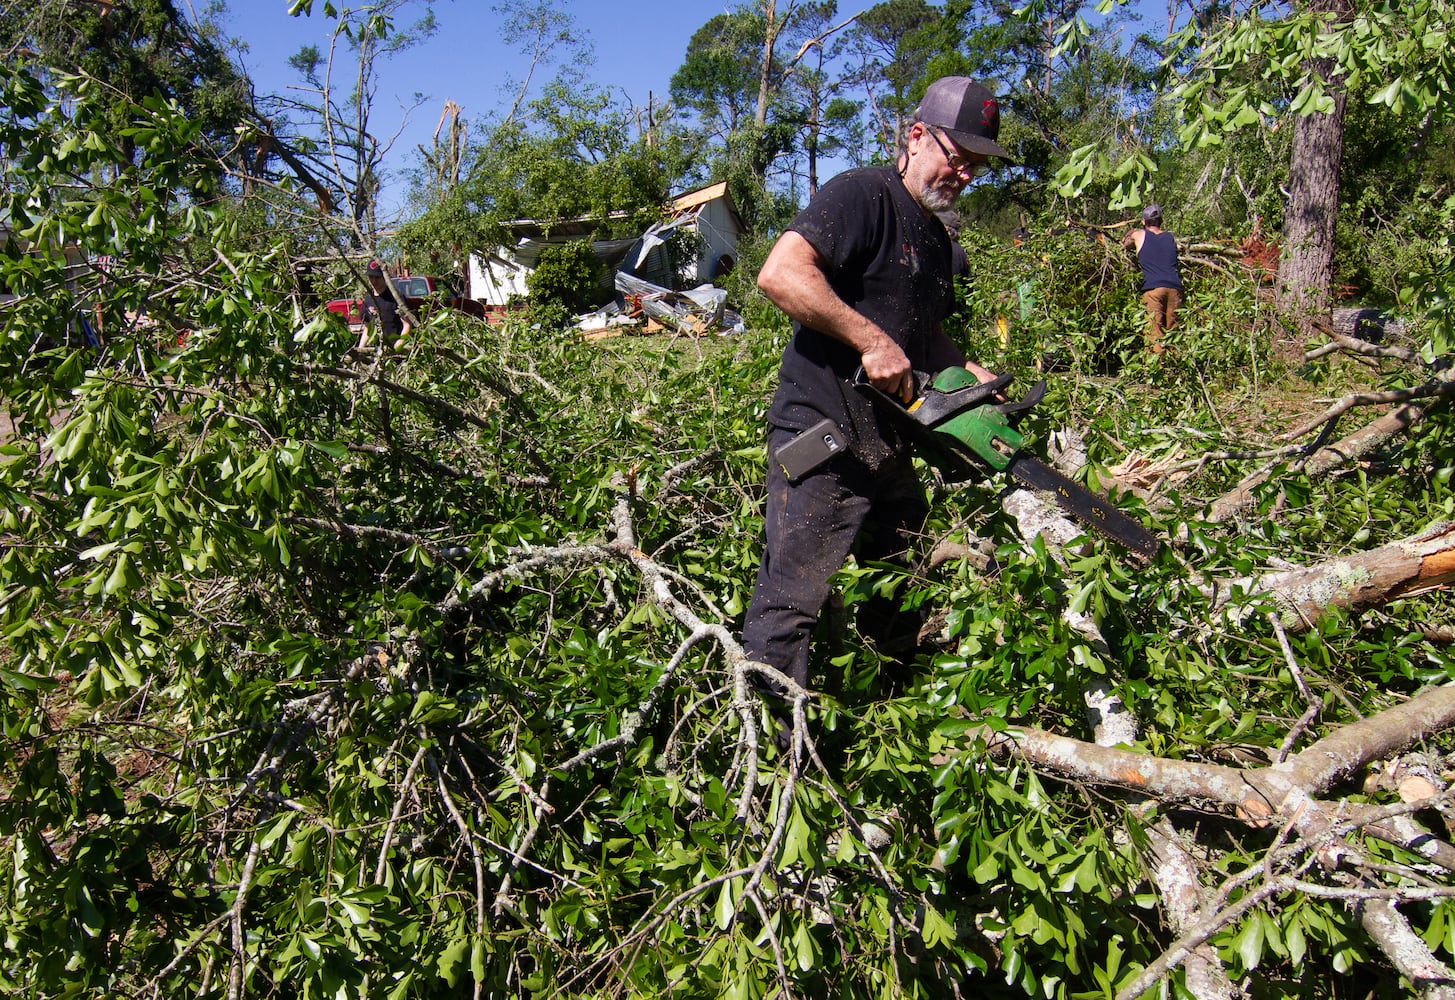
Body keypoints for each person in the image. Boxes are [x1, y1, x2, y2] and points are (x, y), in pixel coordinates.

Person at [741, 76, 1010, 707]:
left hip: (888, 441)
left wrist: (973, 376)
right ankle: (777, 755)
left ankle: (893, 710)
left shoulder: (940, 241)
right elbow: (781, 274)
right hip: (822, 435)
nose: (964, 175)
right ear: (917, 137)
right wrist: (871, 341)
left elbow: (929, 337)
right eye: (957, 158)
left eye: (976, 167)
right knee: (790, 604)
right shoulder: (863, 195)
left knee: (904, 575)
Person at [1121, 205, 1183, 355]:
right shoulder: (1170, 237)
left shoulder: (1139, 235)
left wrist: (1131, 232)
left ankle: (1157, 371)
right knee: (1174, 334)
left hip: (1154, 290)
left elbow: (1124, 243)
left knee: (1154, 334)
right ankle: (1176, 371)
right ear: (1161, 220)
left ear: (1144, 222)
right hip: (1175, 289)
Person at [360, 260, 413, 350]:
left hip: (395, 351)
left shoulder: (396, 298)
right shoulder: (368, 300)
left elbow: (407, 325)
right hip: (377, 351)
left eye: (377, 277)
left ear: (384, 277)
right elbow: (367, 329)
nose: (374, 281)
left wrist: (399, 344)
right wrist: (360, 349)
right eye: (371, 277)